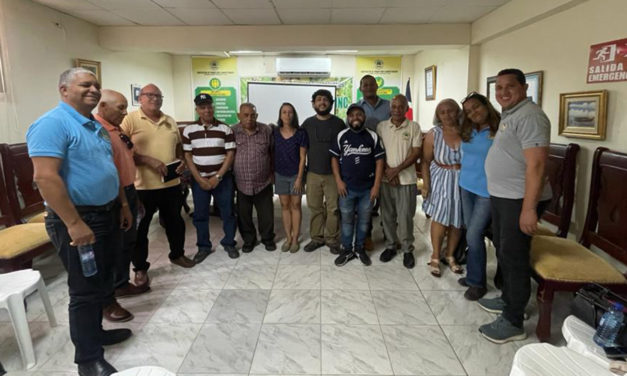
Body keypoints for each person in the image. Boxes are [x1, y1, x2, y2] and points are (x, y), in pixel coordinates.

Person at [27, 68, 131, 376]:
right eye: (85, 85)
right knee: (84, 289)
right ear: (63, 90)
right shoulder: (51, 124)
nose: (93, 89)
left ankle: (96, 334)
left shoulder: (93, 126)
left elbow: (107, 168)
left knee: (102, 280)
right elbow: (45, 177)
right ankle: (88, 359)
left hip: (107, 213)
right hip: (79, 219)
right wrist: (73, 223)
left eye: (96, 85)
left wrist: (122, 204)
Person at [478, 68, 552, 343]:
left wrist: (529, 209)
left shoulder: (531, 116)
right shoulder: (512, 115)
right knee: (503, 247)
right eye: (498, 88)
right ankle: (510, 299)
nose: (503, 92)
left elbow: (538, 164)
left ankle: (513, 320)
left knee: (514, 255)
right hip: (505, 196)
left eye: (510, 87)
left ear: (524, 88)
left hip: (520, 200)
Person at [121, 84, 195, 287]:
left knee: (175, 223)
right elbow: (122, 151)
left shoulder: (169, 120)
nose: (155, 99)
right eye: (150, 95)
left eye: (158, 96)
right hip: (142, 187)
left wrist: (181, 160)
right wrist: (147, 160)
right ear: (141, 98)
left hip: (171, 184)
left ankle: (177, 255)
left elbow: (178, 148)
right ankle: (140, 269)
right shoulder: (129, 120)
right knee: (140, 230)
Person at [95, 90, 149, 324]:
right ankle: (107, 300)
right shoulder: (96, 130)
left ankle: (120, 284)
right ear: (103, 106)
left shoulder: (116, 129)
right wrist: (124, 201)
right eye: (121, 107)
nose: (125, 112)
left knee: (126, 241)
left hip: (126, 189)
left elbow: (126, 158)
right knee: (110, 248)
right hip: (111, 196)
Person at [182, 93, 238, 260]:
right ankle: (204, 247)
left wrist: (218, 177)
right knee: (200, 215)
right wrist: (199, 179)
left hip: (223, 179)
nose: (207, 110)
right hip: (199, 180)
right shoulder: (189, 130)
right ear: (197, 110)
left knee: (228, 212)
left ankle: (229, 243)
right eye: (202, 107)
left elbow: (230, 154)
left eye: (209, 106)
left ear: (213, 107)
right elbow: (188, 156)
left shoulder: (225, 129)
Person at [457, 92, 500, 301]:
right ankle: (474, 273)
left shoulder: (501, 129)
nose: (473, 113)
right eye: (468, 111)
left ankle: (477, 283)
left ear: (486, 104)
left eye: (476, 107)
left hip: (487, 191)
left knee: (474, 234)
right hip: (466, 185)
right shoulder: (469, 129)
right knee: (470, 231)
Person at [330, 104, 384, 266]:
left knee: (364, 221)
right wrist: (338, 181)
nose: (355, 117)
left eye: (359, 114)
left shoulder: (372, 136)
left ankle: (359, 249)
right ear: (348, 117)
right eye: (352, 115)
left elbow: (380, 161)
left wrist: (376, 186)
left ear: (364, 117)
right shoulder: (342, 136)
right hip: (346, 188)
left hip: (367, 189)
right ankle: (347, 250)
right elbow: (333, 158)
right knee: (346, 221)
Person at [376, 94, 422, 269]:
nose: (396, 110)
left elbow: (416, 152)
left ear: (406, 109)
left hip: (407, 180)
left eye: (400, 107)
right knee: (387, 215)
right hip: (386, 179)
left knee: (405, 217)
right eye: (393, 106)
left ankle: (407, 249)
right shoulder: (382, 126)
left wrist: (396, 170)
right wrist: (389, 171)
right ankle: (390, 246)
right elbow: (379, 151)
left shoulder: (413, 127)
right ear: (390, 108)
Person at [421, 99, 464, 277]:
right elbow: (425, 161)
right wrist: (426, 184)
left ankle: (450, 255)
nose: (447, 115)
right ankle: (436, 255)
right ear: (438, 115)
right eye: (442, 112)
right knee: (439, 218)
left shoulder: (467, 132)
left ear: (458, 112)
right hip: (440, 179)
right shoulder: (434, 134)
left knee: (457, 219)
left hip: (462, 180)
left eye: (451, 110)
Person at [301, 89, 345, 254]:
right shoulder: (307, 124)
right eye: (318, 100)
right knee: (315, 208)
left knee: (333, 208)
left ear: (331, 103)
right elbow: (301, 149)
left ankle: (332, 239)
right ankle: (316, 238)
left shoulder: (339, 123)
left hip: (334, 175)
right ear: (313, 104)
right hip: (313, 173)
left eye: (325, 99)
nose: (322, 102)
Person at [232, 103, 276, 253]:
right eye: (245, 115)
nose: (249, 118)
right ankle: (249, 240)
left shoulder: (266, 130)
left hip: (263, 182)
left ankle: (267, 238)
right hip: (242, 183)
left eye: (252, 115)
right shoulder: (232, 131)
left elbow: (272, 153)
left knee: (267, 215)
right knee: (244, 216)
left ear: (256, 116)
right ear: (239, 116)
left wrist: (272, 174)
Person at [357, 74, 391, 250]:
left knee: (387, 199)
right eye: (365, 85)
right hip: (364, 158)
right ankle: (367, 234)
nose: (368, 87)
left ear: (377, 86)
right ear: (361, 88)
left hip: (388, 156)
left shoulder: (389, 106)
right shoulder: (356, 107)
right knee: (367, 199)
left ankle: (388, 233)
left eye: (371, 84)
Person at [273, 102, 308, 253]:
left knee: (296, 206)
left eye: (290, 112)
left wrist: (300, 178)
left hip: (296, 175)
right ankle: (288, 237)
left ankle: (295, 239)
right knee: (285, 206)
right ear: (280, 115)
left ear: (294, 115)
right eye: (284, 112)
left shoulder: (301, 133)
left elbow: (302, 158)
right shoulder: (274, 132)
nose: (287, 115)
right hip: (280, 174)